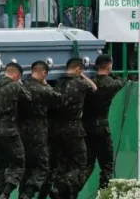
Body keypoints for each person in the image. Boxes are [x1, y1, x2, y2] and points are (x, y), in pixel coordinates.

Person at [51, 57, 97, 198]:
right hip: (74, 129)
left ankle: (58, 189)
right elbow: (94, 87)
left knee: (62, 163)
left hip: (57, 128)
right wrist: (83, 75)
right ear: (78, 69)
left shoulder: (58, 82)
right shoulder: (81, 84)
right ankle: (69, 189)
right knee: (81, 163)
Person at [0, 62, 31, 199]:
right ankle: (5, 194)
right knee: (18, 163)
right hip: (9, 131)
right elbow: (29, 98)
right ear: (17, 75)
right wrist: (21, 84)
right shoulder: (15, 86)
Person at [18, 61, 62, 199]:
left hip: (21, 133)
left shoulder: (22, 87)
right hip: (39, 133)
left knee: (27, 168)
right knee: (43, 167)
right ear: (44, 73)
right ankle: (28, 193)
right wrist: (46, 84)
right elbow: (59, 99)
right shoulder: (44, 89)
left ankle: (22, 195)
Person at [83, 55, 126, 189]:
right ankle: (103, 194)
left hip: (85, 127)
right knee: (107, 166)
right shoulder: (111, 84)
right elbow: (121, 80)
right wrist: (109, 72)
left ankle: (71, 193)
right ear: (109, 65)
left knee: (87, 165)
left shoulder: (87, 83)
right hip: (101, 128)